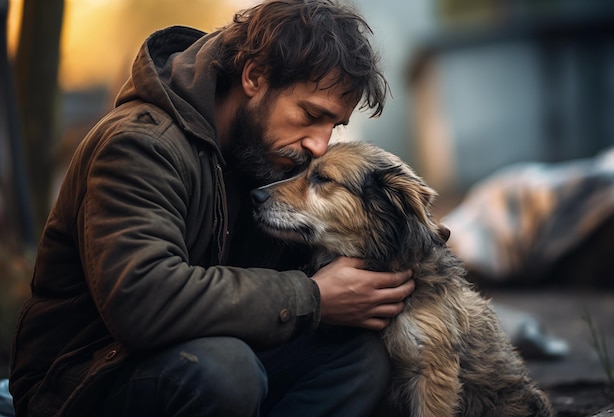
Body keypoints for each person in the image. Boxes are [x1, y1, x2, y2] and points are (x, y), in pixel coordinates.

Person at [9, 1, 415, 416]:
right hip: (82, 382)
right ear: (255, 76)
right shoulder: (141, 145)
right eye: (311, 115)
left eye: (333, 126)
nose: (319, 144)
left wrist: (410, 241)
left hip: (204, 357)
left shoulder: (260, 156)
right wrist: (311, 297)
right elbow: (143, 300)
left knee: (359, 360)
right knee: (226, 370)